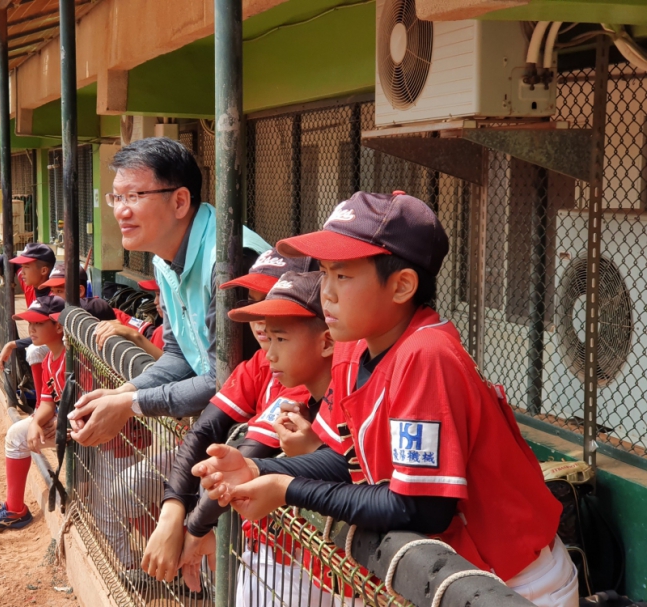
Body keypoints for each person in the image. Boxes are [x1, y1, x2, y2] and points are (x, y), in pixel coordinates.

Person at [194, 192, 578, 607]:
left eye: (343, 275)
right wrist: (258, 467)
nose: (327, 292)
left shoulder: (426, 354)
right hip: (446, 574)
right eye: (324, 273)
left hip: (514, 584)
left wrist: (287, 488)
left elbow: (421, 508)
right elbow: (345, 457)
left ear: (402, 285)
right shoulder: (354, 349)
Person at [144, 270, 334, 607]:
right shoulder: (267, 361)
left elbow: (245, 463)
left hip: (304, 559)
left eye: (274, 315)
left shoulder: (312, 374)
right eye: (257, 307)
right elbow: (204, 432)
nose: (261, 323)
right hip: (270, 545)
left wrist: (194, 530)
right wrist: (175, 513)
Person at [69, 137, 270, 447]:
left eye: (134, 196)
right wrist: (123, 393)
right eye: (117, 197)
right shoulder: (165, 256)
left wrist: (131, 405)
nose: (121, 211)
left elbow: (226, 379)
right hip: (231, 422)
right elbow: (180, 354)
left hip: (274, 427)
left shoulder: (230, 261)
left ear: (179, 201)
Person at [0, 295, 67, 532]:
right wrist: (38, 422)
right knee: (17, 434)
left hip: (88, 428)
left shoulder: (73, 358)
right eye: (29, 323)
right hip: (69, 423)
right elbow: (47, 402)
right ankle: (15, 510)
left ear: (58, 326)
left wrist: (60, 421)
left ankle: (16, 510)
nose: (31, 329)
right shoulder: (49, 358)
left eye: (38, 323)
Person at [0, 242, 56, 404]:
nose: (21, 272)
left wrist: (12, 344)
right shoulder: (32, 282)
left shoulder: (54, 297)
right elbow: (7, 258)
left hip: (61, 346)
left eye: (26, 268)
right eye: (21, 267)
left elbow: (49, 336)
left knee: (34, 351)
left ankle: (40, 406)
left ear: (44, 271)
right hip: (48, 344)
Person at [96, 278, 165, 360]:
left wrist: (132, 334)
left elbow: (158, 367)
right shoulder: (166, 329)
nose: (155, 302)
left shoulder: (163, 332)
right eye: (156, 295)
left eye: (159, 294)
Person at [39, 261, 117, 322]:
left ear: (79, 291)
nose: (52, 297)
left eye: (59, 291)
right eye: (52, 291)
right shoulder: (54, 311)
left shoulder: (96, 310)